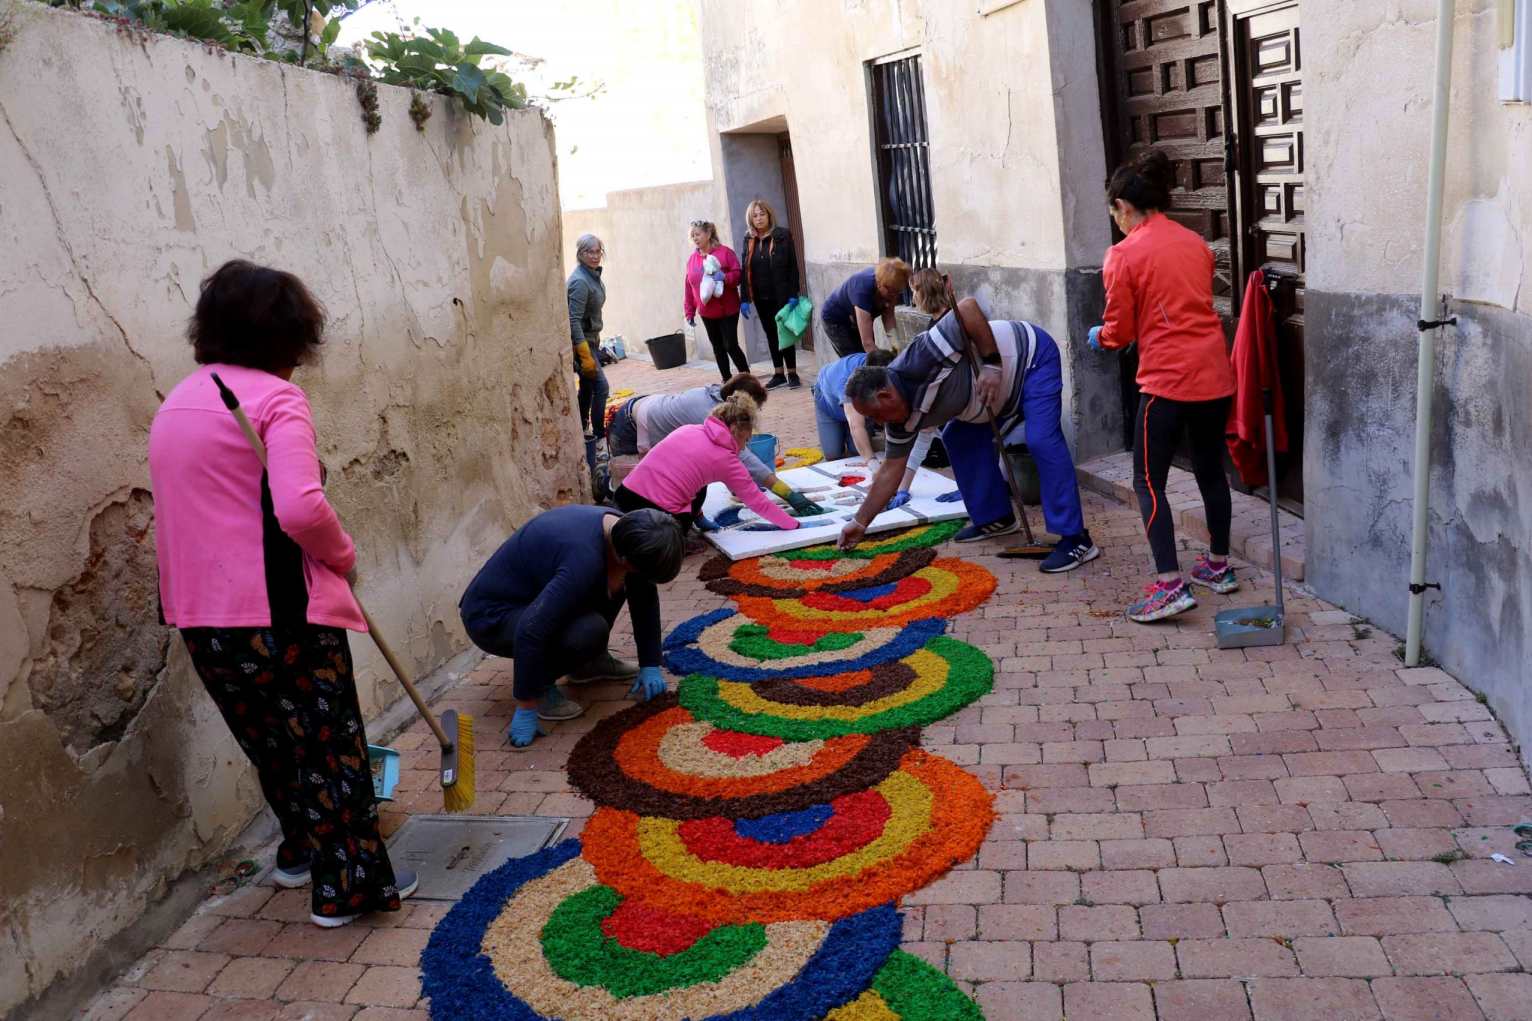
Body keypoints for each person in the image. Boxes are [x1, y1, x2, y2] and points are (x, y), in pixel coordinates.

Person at [148, 259, 414, 928]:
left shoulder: (176, 403)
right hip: (278, 612)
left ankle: (299, 851)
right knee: (328, 747)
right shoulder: (276, 400)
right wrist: (343, 556)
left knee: (271, 743)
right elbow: (299, 507)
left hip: (200, 617)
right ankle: (347, 888)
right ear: (286, 337)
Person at [836, 271, 1099, 575]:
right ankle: (996, 518)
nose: (876, 423)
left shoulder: (921, 357)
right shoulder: (897, 420)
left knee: (1041, 440)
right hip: (990, 398)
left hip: (1030, 358)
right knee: (958, 437)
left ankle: (1076, 539)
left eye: (874, 415)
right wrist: (860, 523)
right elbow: (889, 473)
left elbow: (968, 308)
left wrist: (992, 365)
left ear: (885, 395)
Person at [1088, 148, 1239, 623]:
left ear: (1123, 206)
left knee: (1149, 480)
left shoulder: (1123, 254)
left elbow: (1120, 331)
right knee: (1211, 471)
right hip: (1213, 374)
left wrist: (1101, 336)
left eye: (1113, 213)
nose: (1116, 222)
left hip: (1166, 382)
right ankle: (1218, 565)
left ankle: (1170, 585)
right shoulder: (1195, 243)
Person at [459, 507, 684, 749]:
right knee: (589, 631)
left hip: (534, 599)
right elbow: (531, 629)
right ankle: (542, 685)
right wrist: (526, 705)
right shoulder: (583, 560)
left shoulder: (628, 530)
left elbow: (644, 595)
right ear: (625, 558)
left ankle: (590, 664)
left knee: (626, 579)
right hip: (492, 617)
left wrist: (650, 663)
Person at [607, 372, 822, 513]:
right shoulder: (709, 415)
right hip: (628, 425)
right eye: (753, 409)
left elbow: (730, 458)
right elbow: (743, 459)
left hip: (647, 411)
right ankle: (603, 484)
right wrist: (788, 494)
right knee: (633, 499)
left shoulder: (718, 399)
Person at [614, 393, 805, 533]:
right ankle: (680, 536)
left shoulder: (689, 429)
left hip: (625, 495)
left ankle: (693, 519)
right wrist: (793, 524)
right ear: (735, 430)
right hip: (654, 515)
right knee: (671, 540)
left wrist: (697, 515)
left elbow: (686, 476)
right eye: (746, 440)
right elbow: (756, 501)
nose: (744, 447)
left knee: (699, 482)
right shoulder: (727, 460)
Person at [812, 348, 933, 511]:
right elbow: (856, 426)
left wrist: (896, 475)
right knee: (833, 453)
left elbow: (896, 421)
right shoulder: (850, 383)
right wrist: (873, 464)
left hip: (860, 409)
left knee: (856, 450)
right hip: (829, 407)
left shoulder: (891, 372)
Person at [739, 199, 803, 390]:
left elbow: (792, 266)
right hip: (760, 296)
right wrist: (745, 298)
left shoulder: (782, 235)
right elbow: (744, 269)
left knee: (785, 333)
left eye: (762, 214)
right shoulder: (749, 239)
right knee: (771, 334)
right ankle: (778, 373)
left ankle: (792, 373)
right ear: (750, 219)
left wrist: (793, 293)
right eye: (755, 215)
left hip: (781, 294)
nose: (759, 218)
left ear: (769, 215)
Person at [683, 219, 749, 382]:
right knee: (718, 347)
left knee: (730, 345)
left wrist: (725, 277)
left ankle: (746, 378)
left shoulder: (725, 253)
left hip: (728, 309)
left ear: (708, 233)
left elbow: (738, 275)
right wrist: (689, 312)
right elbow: (689, 287)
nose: (695, 238)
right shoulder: (692, 260)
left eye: (698, 234)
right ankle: (727, 380)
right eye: (693, 235)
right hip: (707, 312)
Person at [568, 233, 610, 460]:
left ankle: (580, 429)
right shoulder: (580, 282)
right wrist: (583, 354)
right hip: (582, 344)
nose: (594, 256)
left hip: (592, 340)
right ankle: (600, 437)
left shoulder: (592, 275)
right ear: (580, 254)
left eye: (597, 251)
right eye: (589, 252)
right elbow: (573, 320)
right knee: (601, 387)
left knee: (587, 387)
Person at [820, 257, 910, 357]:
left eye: (898, 291)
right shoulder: (862, 290)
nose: (895, 296)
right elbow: (868, 343)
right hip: (835, 319)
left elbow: (888, 318)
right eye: (892, 292)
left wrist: (897, 349)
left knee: (868, 355)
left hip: (854, 318)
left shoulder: (891, 288)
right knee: (856, 357)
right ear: (880, 284)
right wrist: (886, 363)